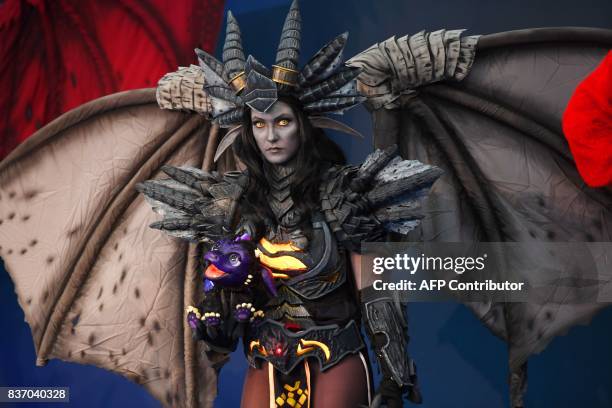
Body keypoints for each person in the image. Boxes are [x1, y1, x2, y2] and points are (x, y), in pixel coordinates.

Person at [138, 1, 441, 406]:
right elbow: (225, 301)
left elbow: (377, 292)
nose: (271, 136)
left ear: (303, 122)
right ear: (248, 130)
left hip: (335, 353)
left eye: (281, 121)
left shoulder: (340, 194)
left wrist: (393, 376)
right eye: (259, 124)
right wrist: (218, 325)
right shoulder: (234, 202)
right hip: (266, 356)